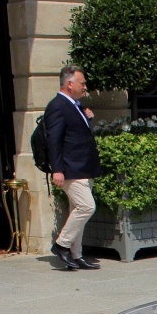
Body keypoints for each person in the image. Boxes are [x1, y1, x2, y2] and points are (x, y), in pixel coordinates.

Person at [44, 65, 102, 270]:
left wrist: (87, 119)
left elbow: (75, 135)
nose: (85, 87)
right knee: (86, 207)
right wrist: (57, 169)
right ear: (69, 84)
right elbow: (54, 140)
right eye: (82, 83)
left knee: (76, 209)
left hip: (83, 167)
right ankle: (62, 244)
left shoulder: (74, 105)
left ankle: (76, 254)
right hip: (71, 169)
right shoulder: (57, 106)